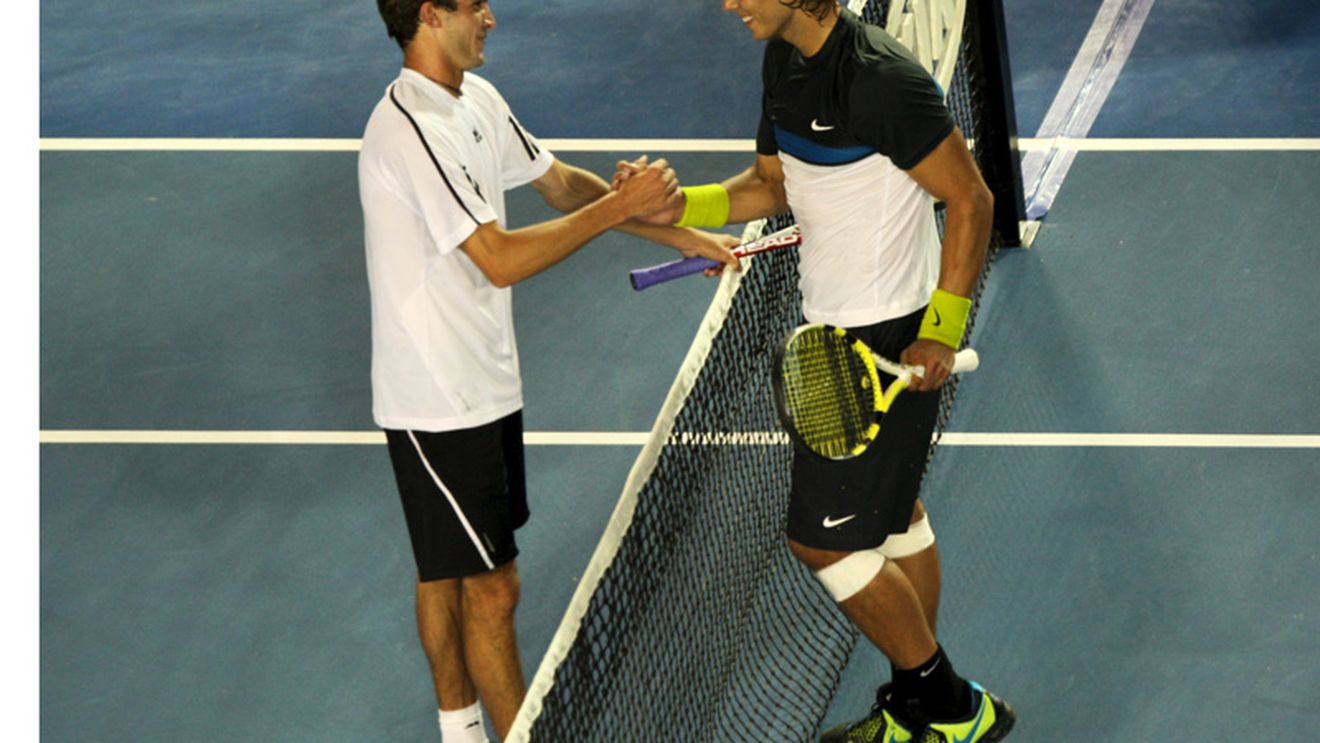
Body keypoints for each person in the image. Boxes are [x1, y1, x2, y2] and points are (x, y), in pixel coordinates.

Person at [617, 1, 1015, 740]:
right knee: (894, 520)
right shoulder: (784, 60)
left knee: (822, 540)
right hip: (832, 329)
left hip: (884, 338)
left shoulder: (879, 80)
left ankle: (956, 710)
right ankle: (914, 710)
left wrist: (940, 330)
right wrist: (680, 207)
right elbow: (771, 187)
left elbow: (971, 197)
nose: (731, 4)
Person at [358, 2, 740, 741]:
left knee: (447, 567)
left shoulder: (475, 99)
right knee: (493, 586)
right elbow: (499, 260)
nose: (492, 17)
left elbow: (560, 183)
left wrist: (686, 235)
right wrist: (616, 212)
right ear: (431, 15)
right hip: (438, 395)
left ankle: (458, 730)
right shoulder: (410, 130)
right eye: (474, 6)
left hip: (484, 379)